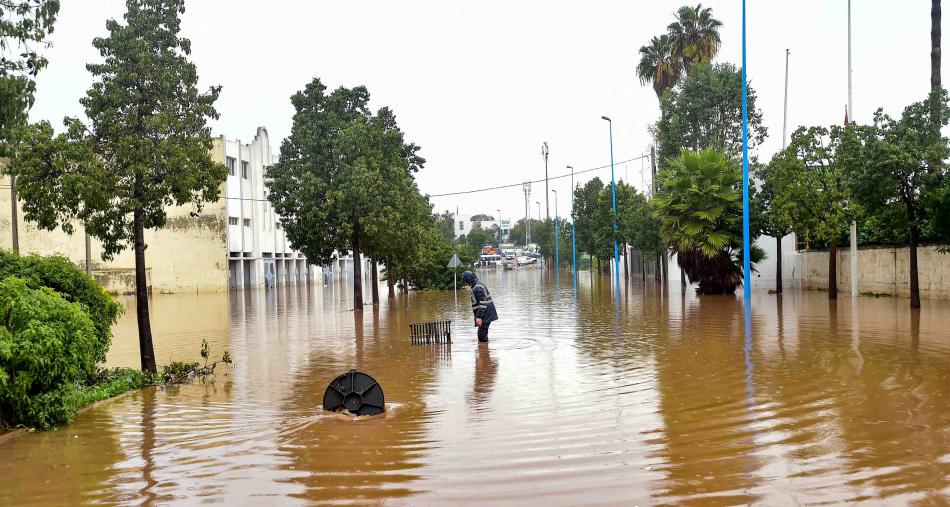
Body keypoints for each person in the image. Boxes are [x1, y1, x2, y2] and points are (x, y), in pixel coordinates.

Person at [461, 270, 498, 342]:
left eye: (466, 281)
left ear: (469, 280)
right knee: (481, 335)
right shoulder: (477, 285)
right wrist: (476, 316)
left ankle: (484, 352)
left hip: (486, 314)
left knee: (482, 336)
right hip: (485, 313)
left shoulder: (478, 287)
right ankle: (484, 350)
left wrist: (479, 317)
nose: (466, 284)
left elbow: (483, 303)